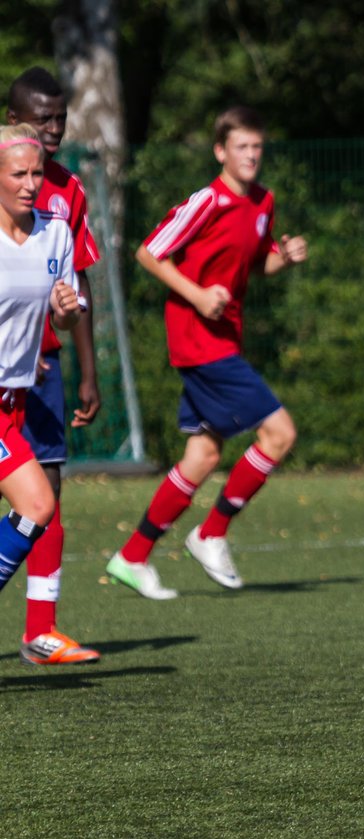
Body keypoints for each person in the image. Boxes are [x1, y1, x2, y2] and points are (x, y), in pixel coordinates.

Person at [106, 105, 307, 599]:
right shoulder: (207, 202)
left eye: (257, 147)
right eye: (241, 147)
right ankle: (211, 532)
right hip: (198, 341)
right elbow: (149, 251)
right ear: (221, 151)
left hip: (221, 340)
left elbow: (256, 265)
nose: (251, 156)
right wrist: (197, 295)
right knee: (279, 434)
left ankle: (132, 556)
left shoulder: (263, 202)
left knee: (201, 455)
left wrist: (286, 258)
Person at [6, 67, 103, 665]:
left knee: (46, 493)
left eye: (60, 118)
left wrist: (87, 368)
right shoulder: (7, 180)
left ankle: (41, 627)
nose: (53, 129)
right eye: (42, 119)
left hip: (35, 372)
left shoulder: (65, 195)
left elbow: (74, 286)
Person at [0, 124, 85, 613]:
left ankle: (40, 630)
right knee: (36, 504)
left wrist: (67, 311)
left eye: (36, 172)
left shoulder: (55, 234)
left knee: (35, 507)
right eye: (18, 174)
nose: (30, 183)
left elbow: (63, 317)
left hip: (16, 400)